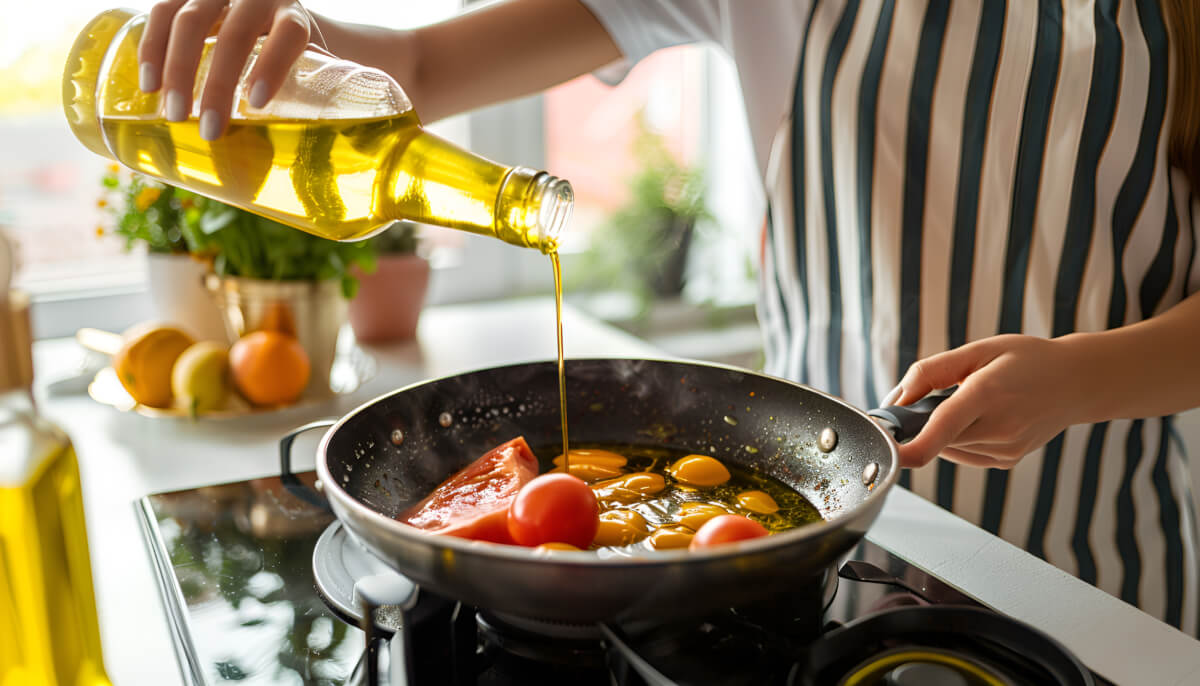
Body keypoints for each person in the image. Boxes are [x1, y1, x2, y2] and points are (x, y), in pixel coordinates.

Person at [137, 0, 1200, 632]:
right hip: (812, 555)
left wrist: (1077, 377)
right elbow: (418, 67)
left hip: (1098, 567)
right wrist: (286, 33)